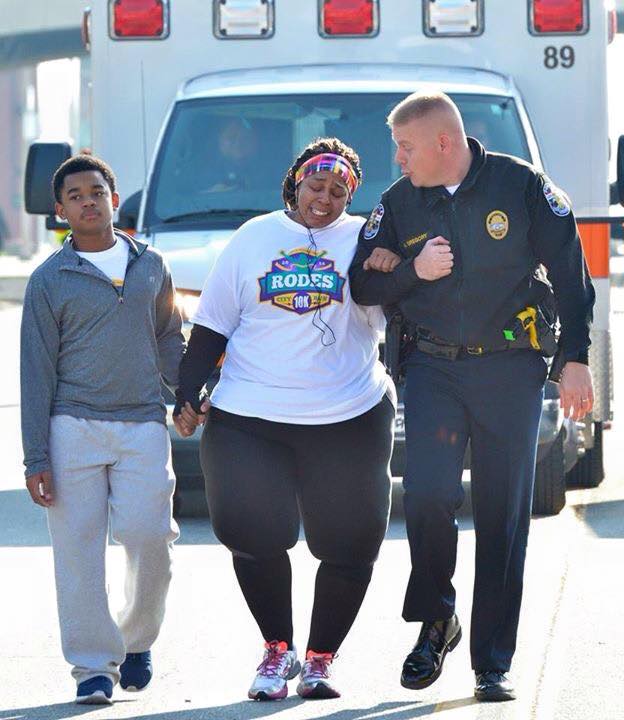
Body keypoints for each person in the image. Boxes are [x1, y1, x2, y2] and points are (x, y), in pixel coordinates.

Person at [349, 92, 595, 702]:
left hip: (510, 368)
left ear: (444, 143)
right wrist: (407, 272)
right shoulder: (399, 203)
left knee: (503, 514)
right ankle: (437, 620)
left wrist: (575, 360)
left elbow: (571, 275)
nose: (398, 160)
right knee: (429, 495)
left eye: (405, 148)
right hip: (433, 368)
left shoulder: (522, 187)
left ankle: (492, 659)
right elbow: (360, 283)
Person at [173, 137, 395, 701]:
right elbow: (212, 325)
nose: (325, 198)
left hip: (348, 412)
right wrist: (187, 390)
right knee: (253, 534)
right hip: (250, 414)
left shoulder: (367, 238)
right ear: (295, 182)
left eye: (339, 190)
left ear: (352, 194)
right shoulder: (254, 237)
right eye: (316, 186)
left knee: (350, 544)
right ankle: (277, 650)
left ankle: (320, 659)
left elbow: (396, 323)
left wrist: (396, 271)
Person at [20, 155, 184, 705]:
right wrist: (35, 456)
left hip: (141, 422)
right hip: (73, 426)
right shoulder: (49, 279)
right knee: (77, 550)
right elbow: (36, 370)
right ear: (61, 210)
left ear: (114, 198)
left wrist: (188, 397)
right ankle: (92, 667)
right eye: (75, 195)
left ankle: (136, 639)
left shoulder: (151, 263)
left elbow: (168, 338)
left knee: (149, 538)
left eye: (97, 191)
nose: (88, 201)